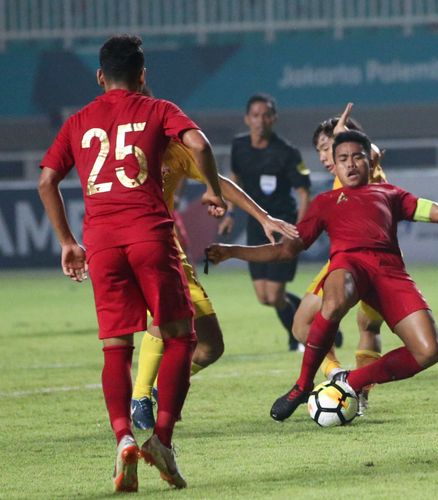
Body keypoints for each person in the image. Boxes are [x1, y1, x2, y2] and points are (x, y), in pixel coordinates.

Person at [207, 130, 438, 422]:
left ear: (371, 162)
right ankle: (302, 385)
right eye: (343, 159)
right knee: (335, 298)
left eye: (357, 157)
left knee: (429, 351)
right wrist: (234, 251)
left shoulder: (391, 195)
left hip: (390, 273)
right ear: (334, 166)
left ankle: (351, 381)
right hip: (349, 265)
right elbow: (285, 251)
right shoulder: (325, 202)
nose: (351, 164)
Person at [37, 35, 226, 491]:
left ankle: (123, 436)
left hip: (100, 241)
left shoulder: (78, 120)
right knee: (181, 335)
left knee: (116, 347)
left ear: (100, 76)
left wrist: (66, 241)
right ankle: (161, 437)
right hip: (149, 235)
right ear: (143, 75)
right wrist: (214, 191)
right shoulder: (157, 108)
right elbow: (198, 145)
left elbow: (47, 181)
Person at [130, 138, 299, 430]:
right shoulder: (116, 150)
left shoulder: (174, 149)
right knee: (164, 310)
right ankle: (140, 398)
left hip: (167, 244)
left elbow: (218, 181)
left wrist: (263, 217)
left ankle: (160, 387)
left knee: (211, 346)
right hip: (132, 243)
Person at [291, 106, 388, 414]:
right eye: (320, 150)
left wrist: (341, 134)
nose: (323, 156)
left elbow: (369, 149)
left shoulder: (365, 166)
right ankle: (347, 384)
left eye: (326, 148)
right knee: (365, 327)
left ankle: (342, 379)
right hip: (373, 262)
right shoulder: (353, 173)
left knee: (307, 324)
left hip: (355, 262)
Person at [220, 93, 311, 351]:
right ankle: (306, 312)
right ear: (247, 119)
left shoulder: (288, 152)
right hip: (256, 227)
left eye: (266, 115)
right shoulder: (239, 146)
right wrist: (229, 213)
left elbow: (304, 194)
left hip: (283, 229)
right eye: (256, 115)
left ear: (274, 119)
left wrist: (297, 231)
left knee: (274, 295)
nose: (261, 120)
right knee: (264, 297)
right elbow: (233, 180)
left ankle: (299, 337)